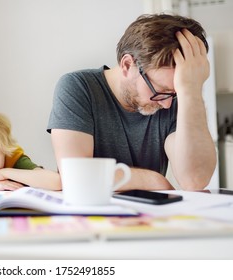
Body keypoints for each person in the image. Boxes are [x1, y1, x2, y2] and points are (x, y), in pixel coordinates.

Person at [47, 14, 217, 191]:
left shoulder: (177, 98)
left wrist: (191, 91)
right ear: (127, 65)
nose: (167, 104)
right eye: (160, 90)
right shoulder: (78, 87)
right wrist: (153, 180)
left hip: (149, 216)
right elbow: (76, 176)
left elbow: (194, 180)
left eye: (174, 93)